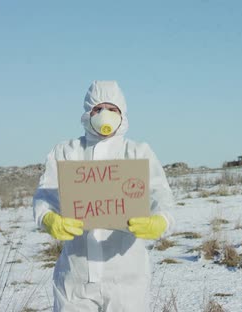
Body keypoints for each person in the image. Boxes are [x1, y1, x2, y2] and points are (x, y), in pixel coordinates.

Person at [33, 80, 175, 312]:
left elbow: (162, 198)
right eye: (98, 109)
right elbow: (44, 196)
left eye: (112, 109)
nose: (105, 114)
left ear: (123, 113)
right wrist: (49, 219)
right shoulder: (67, 152)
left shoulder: (138, 152)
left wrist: (160, 221)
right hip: (75, 280)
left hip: (127, 280)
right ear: (87, 112)